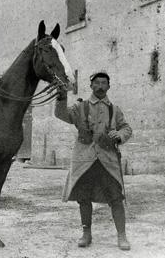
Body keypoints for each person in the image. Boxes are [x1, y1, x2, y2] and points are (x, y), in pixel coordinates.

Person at [55, 72, 132, 250]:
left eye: (104, 83)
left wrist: (119, 135)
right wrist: (61, 95)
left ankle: (122, 236)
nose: (100, 86)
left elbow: (126, 127)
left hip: (107, 159)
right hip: (85, 160)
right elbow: (60, 114)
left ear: (108, 86)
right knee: (83, 197)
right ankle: (86, 234)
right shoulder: (80, 107)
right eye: (96, 83)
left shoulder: (115, 109)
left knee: (116, 197)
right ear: (91, 86)